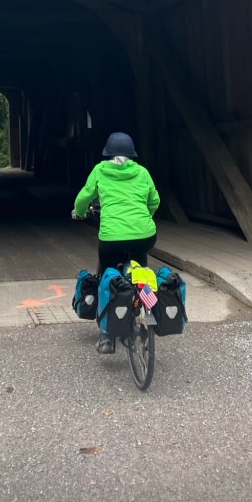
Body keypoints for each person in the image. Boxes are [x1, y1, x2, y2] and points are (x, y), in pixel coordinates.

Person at [72, 132, 160, 354]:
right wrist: (145, 218)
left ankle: (106, 336)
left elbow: (85, 196)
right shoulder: (142, 172)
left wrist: (79, 212)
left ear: (108, 153)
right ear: (132, 154)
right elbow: (154, 200)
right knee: (141, 271)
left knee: (107, 277)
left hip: (112, 238)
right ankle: (147, 308)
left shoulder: (100, 170)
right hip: (145, 234)